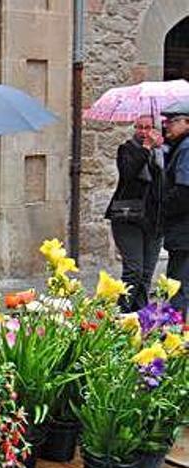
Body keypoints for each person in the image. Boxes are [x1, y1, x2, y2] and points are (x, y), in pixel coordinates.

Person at [104, 114, 164, 312]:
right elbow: (128, 173)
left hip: (153, 219)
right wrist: (146, 148)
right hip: (128, 217)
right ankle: (121, 314)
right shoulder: (127, 150)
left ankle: (139, 317)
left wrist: (161, 151)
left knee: (146, 274)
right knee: (134, 270)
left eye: (148, 127)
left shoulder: (162, 152)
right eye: (139, 127)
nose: (143, 132)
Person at [161, 100, 189, 317]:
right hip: (181, 231)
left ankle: (175, 338)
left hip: (183, 231)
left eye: (172, 121)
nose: (166, 126)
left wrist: (162, 205)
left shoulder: (186, 148)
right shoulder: (179, 147)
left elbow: (183, 192)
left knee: (178, 287)